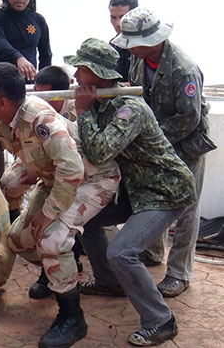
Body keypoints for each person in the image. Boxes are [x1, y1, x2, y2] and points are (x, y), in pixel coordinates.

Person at [0, 62, 119, 348]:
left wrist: (49, 214)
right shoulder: (4, 118)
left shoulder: (41, 119)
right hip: (56, 180)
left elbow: (73, 170)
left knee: (52, 239)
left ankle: (73, 317)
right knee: (18, 240)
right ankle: (58, 270)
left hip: (93, 179)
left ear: (2, 102)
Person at [71, 37, 196, 346]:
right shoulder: (103, 102)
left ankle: (160, 320)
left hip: (164, 191)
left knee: (122, 252)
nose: (75, 77)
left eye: (80, 70)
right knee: (85, 220)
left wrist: (83, 111)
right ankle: (109, 282)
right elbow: (88, 148)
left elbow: (99, 151)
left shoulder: (129, 108)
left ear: (96, 72)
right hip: (135, 190)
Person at [114, 7, 216, 297]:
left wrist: (152, 138)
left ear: (152, 40)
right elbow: (138, 96)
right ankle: (152, 252)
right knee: (151, 200)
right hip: (158, 145)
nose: (129, 48)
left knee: (186, 209)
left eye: (133, 42)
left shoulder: (183, 68)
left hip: (186, 146)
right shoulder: (141, 61)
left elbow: (189, 118)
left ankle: (179, 273)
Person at [4, 65, 82, 299]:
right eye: (36, 92)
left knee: (51, 236)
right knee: (9, 183)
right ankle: (49, 261)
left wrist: (48, 210)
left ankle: (61, 279)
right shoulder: (30, 110)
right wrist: (34, 169)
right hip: (43, 165)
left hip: (74, 175)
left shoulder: (74, 111)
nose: (40, 99)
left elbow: (72, 164)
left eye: (47, 94)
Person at [0, 0, 52, 180]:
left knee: (26, 133)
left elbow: (46, 54)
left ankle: (25, 179)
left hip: (26, 89)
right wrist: (18, 58)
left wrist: (47, 82)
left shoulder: (38, 20)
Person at [108, 0, 139, 82]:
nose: (118, 23)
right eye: (113, 17)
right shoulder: (112, 45)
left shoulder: (147, 45)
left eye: (123, 17)